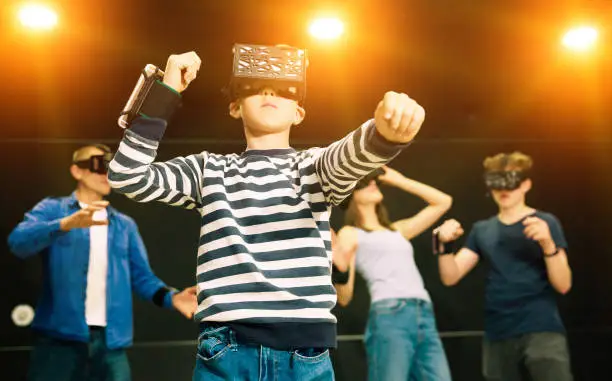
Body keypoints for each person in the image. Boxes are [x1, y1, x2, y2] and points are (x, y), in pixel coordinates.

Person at [107, 46, 426, 381]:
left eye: (285, 89)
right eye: (254, 87)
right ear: (234, 107)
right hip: (226, 347)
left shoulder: (315, 167)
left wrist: (385, 133)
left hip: (304, 353)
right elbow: (126, 175)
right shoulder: (209, 170)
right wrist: (165, 90)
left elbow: (353, 155)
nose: (270, 91)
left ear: (299, 112)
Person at [8, 144, 197, 381]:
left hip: (110, 343)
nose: (106, 173)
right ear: (77, 171)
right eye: (98, 165)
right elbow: (17, 242)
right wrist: (64, 224)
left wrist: (172, 297)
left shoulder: (124, 224)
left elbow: (142, 277)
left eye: (110, 166)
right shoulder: (53, 209)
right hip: (59, 342)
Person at [434, 151, 573, 381]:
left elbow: (563, 284)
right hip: (498, 330)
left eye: (511, 180)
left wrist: (547, 243)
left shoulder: (545, 222)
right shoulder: (482, 230)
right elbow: (451, 276)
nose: (504, 189)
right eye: (497, 181)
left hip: (540, 327)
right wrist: (444, 245)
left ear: (526, 184)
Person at [333, 166, 453, 381]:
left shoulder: (397, 230)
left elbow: (443, 201)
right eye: (364, 182)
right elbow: (345, 297)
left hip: (423, 313)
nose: (372, 183)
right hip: (390, 314)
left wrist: (400, 180)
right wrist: (338, 270)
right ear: (350, 194)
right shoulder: (350, 233)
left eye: (374, 181)